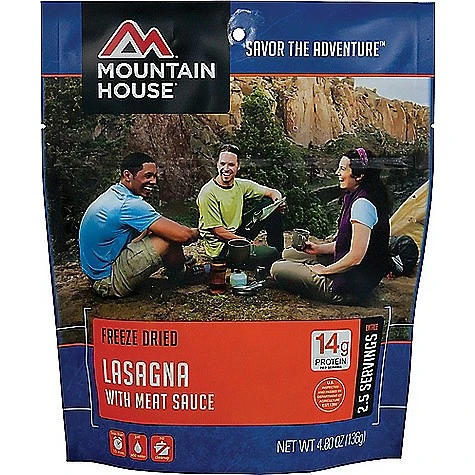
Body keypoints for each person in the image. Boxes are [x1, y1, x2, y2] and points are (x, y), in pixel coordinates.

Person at [270, 148, 391, 304]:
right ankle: (312, 268)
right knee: (289, 254)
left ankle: (324, 280)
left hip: (350, 287)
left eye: (342, 169)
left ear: (359, 175)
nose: (337, 173)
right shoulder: (361, 195)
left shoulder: (362, 205)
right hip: (359, 275)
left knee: (277, 268)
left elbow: (355, 257)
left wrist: (324, 270)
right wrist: (318, 249)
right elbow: (348, 243)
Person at [79, 152, 200, 298]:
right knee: (169, 237)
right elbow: (184, 236)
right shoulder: (128, 204)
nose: (153, 181)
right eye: (148, 176)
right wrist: (201, 232)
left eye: (154, 176)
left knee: (158, 230)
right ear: (127, 175)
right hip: (107, 282)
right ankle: (183, 275)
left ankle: (176, 264)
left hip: (96, 274)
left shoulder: (115, 194)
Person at [196, 144, 285, 270]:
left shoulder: (240, 185)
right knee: (271, 254)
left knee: (271, 205)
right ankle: (273, 257)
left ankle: (279, 254)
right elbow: (218, 232)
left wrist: (278, 202)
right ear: (217, 164)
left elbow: (272, 192)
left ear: (238, 166)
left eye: (231, 165)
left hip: (237, 232)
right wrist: (247, 242)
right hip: (222, 247)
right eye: (222, 164)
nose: (226, 169)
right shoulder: (208, 193)